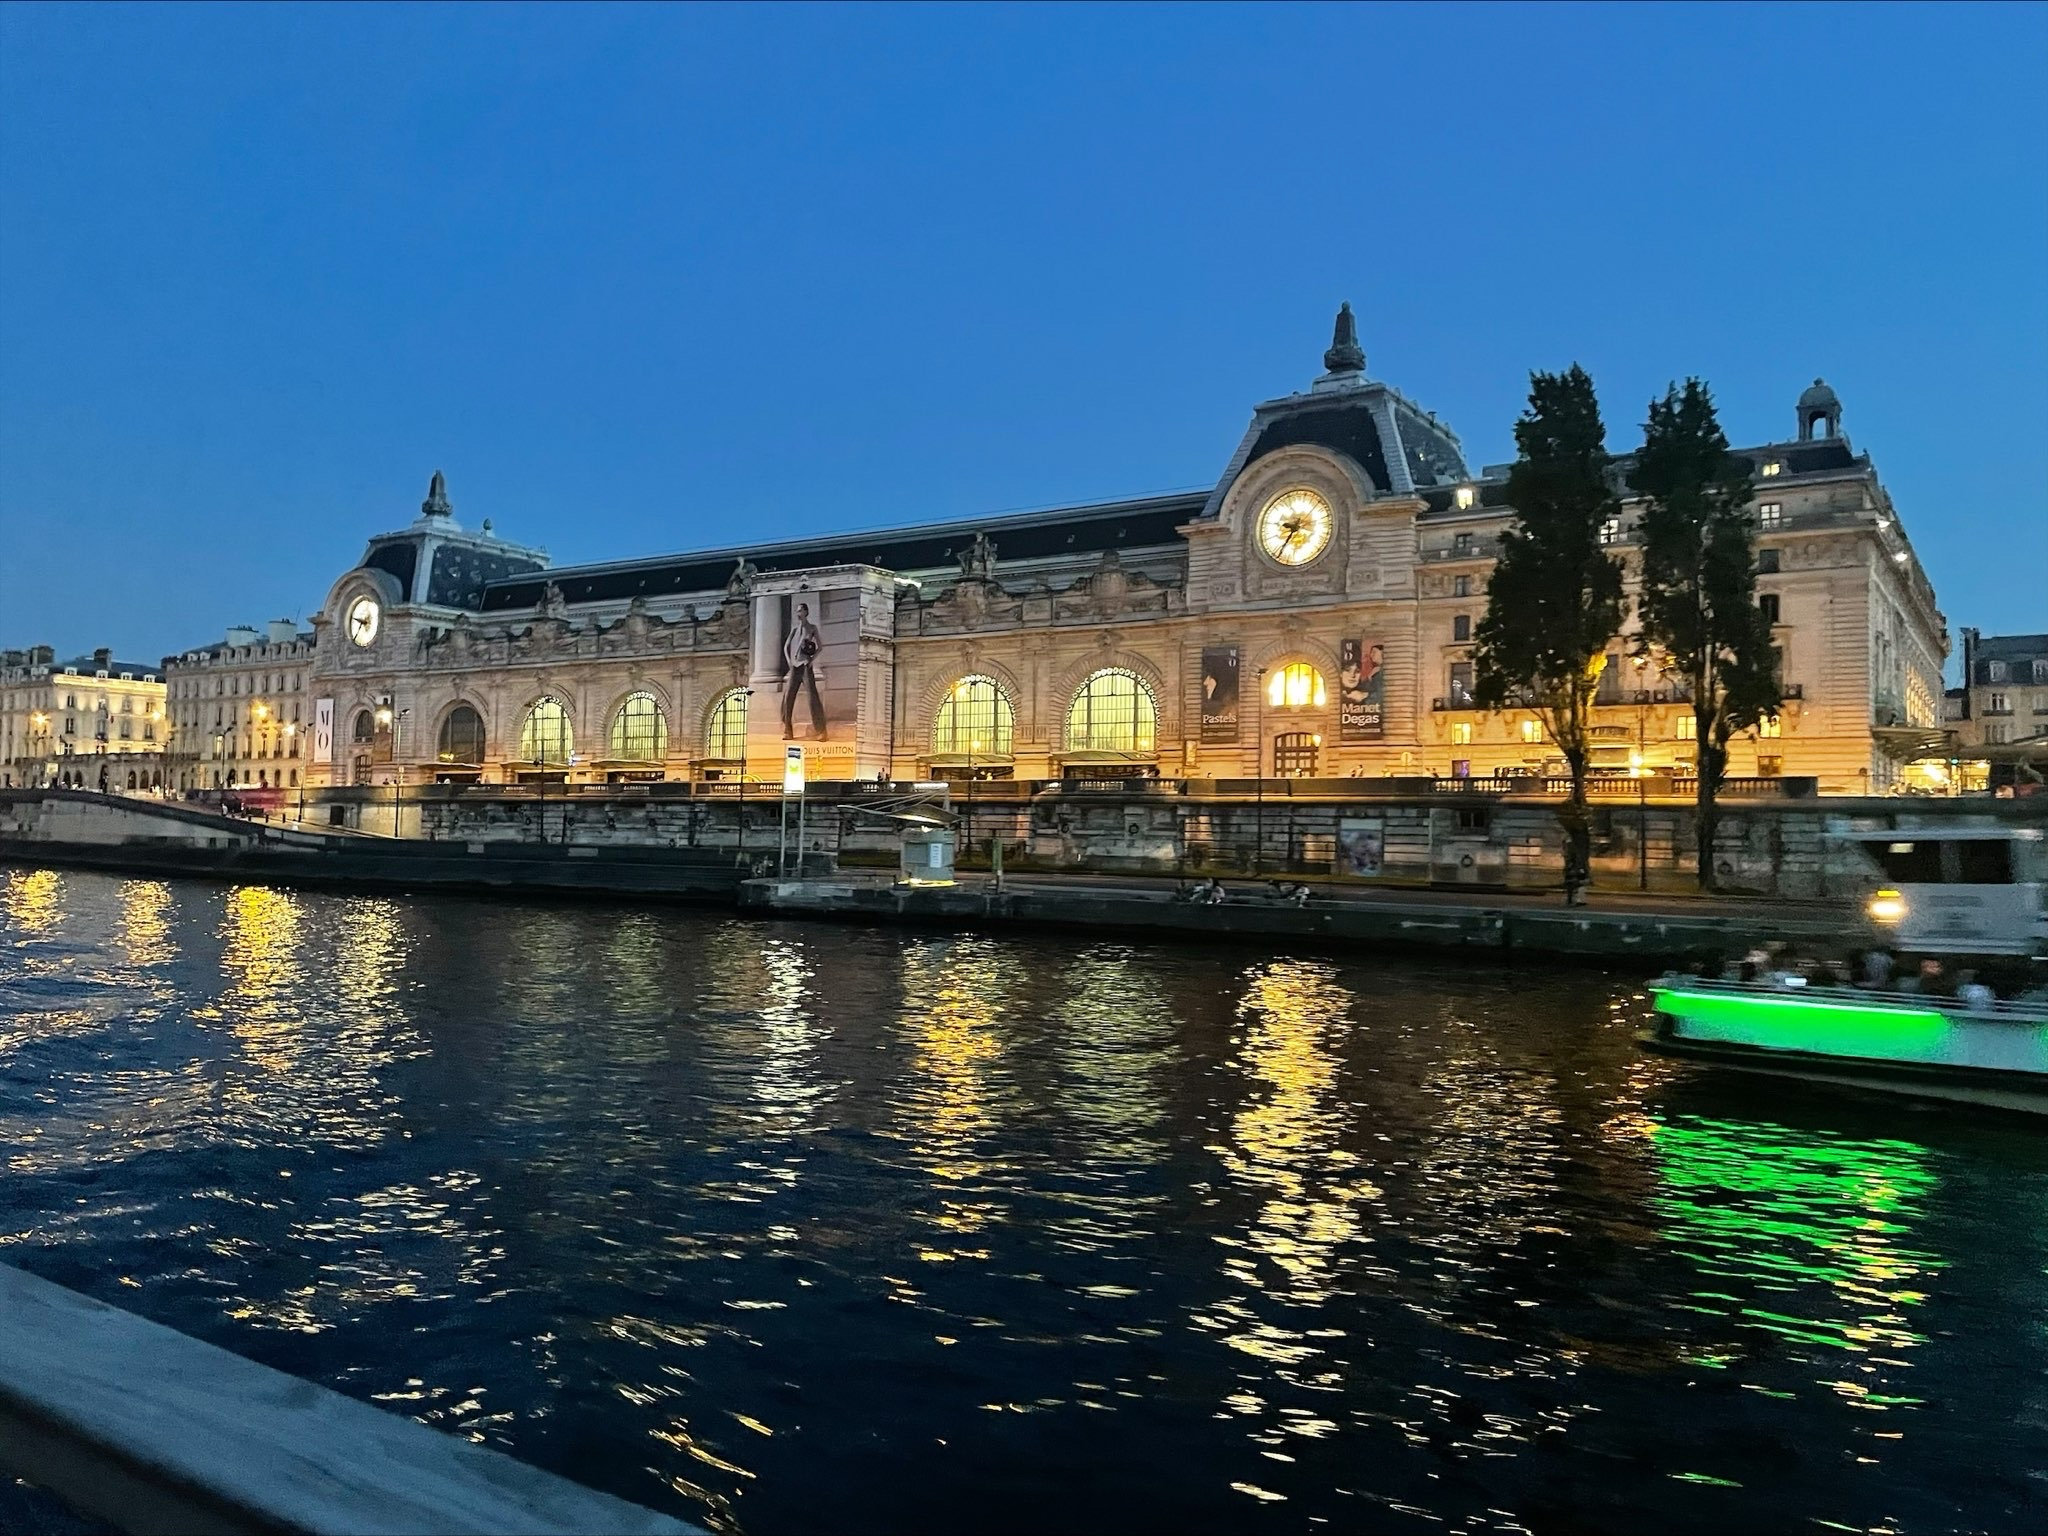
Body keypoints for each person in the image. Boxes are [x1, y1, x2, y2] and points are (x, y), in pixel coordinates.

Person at [780, 602, 826, 738]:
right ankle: (788, 730)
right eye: (797, 611)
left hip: (805, 665)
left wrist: (811, 660)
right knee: (788, 697)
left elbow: (820, 647)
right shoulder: (795, 629)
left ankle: (821, 731)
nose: (798, 613)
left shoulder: (812, 628)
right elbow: (786, 646)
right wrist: (789, 661)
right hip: (795, 667)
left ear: (806, 612)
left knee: (812, 697)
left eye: (800, 611)